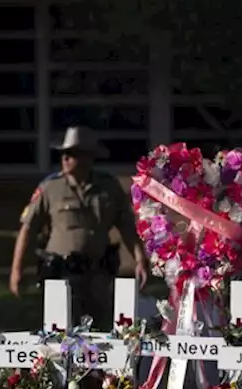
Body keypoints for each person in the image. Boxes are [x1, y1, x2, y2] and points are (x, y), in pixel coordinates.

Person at [9, 126, 148, 328]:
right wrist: (17, 270)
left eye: (72, 154)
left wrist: (140, 259)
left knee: (99, 331)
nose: (65, 159)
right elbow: (28, 229)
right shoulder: (50, 187)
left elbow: (127, 227)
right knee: (59, 332)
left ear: (89, 157)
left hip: (97, 273)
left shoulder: (108, 187)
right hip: (60, 272)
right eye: (64, 154)